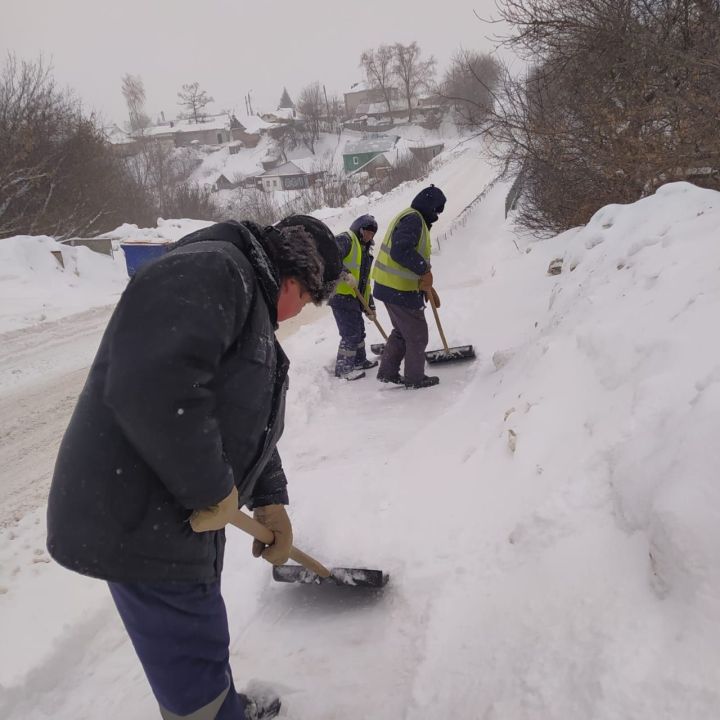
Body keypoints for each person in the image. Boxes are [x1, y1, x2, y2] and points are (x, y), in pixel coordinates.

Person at [46, 215, 343, 720]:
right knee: (191, 670)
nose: (297, 315)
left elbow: (239, 412)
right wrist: (212, 485)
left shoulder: (245, 295)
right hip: (139, 519)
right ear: (296, 280)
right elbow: (155, 389)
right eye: (309, 302)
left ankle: (221, 704)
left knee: (200, 642)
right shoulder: (214, 273)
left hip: (171, 510)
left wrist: (269, 498)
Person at [371, 184, 447, 389]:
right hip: (399, 289)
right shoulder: (414, 220)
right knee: (417, 334)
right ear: (430, 207)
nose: (437, 216)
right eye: (437, 211)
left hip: (388, 287)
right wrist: (423, 270)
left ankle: (387, 372)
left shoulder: (411, 216)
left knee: (402, 331)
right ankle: (415, 378)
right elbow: (400, 250)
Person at [328, 213, 379, 381]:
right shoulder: (347, 239)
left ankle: (359, 360)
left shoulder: (365, 251)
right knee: (350, 333)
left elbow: (364, 283)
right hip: (340, 295)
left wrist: (370, 307)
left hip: (354, 297)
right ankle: (343, 368)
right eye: (368, 232)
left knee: (359, 331)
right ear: (360, 229)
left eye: (372, 234)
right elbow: (330, 257)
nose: (370, 236)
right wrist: (344, 273)